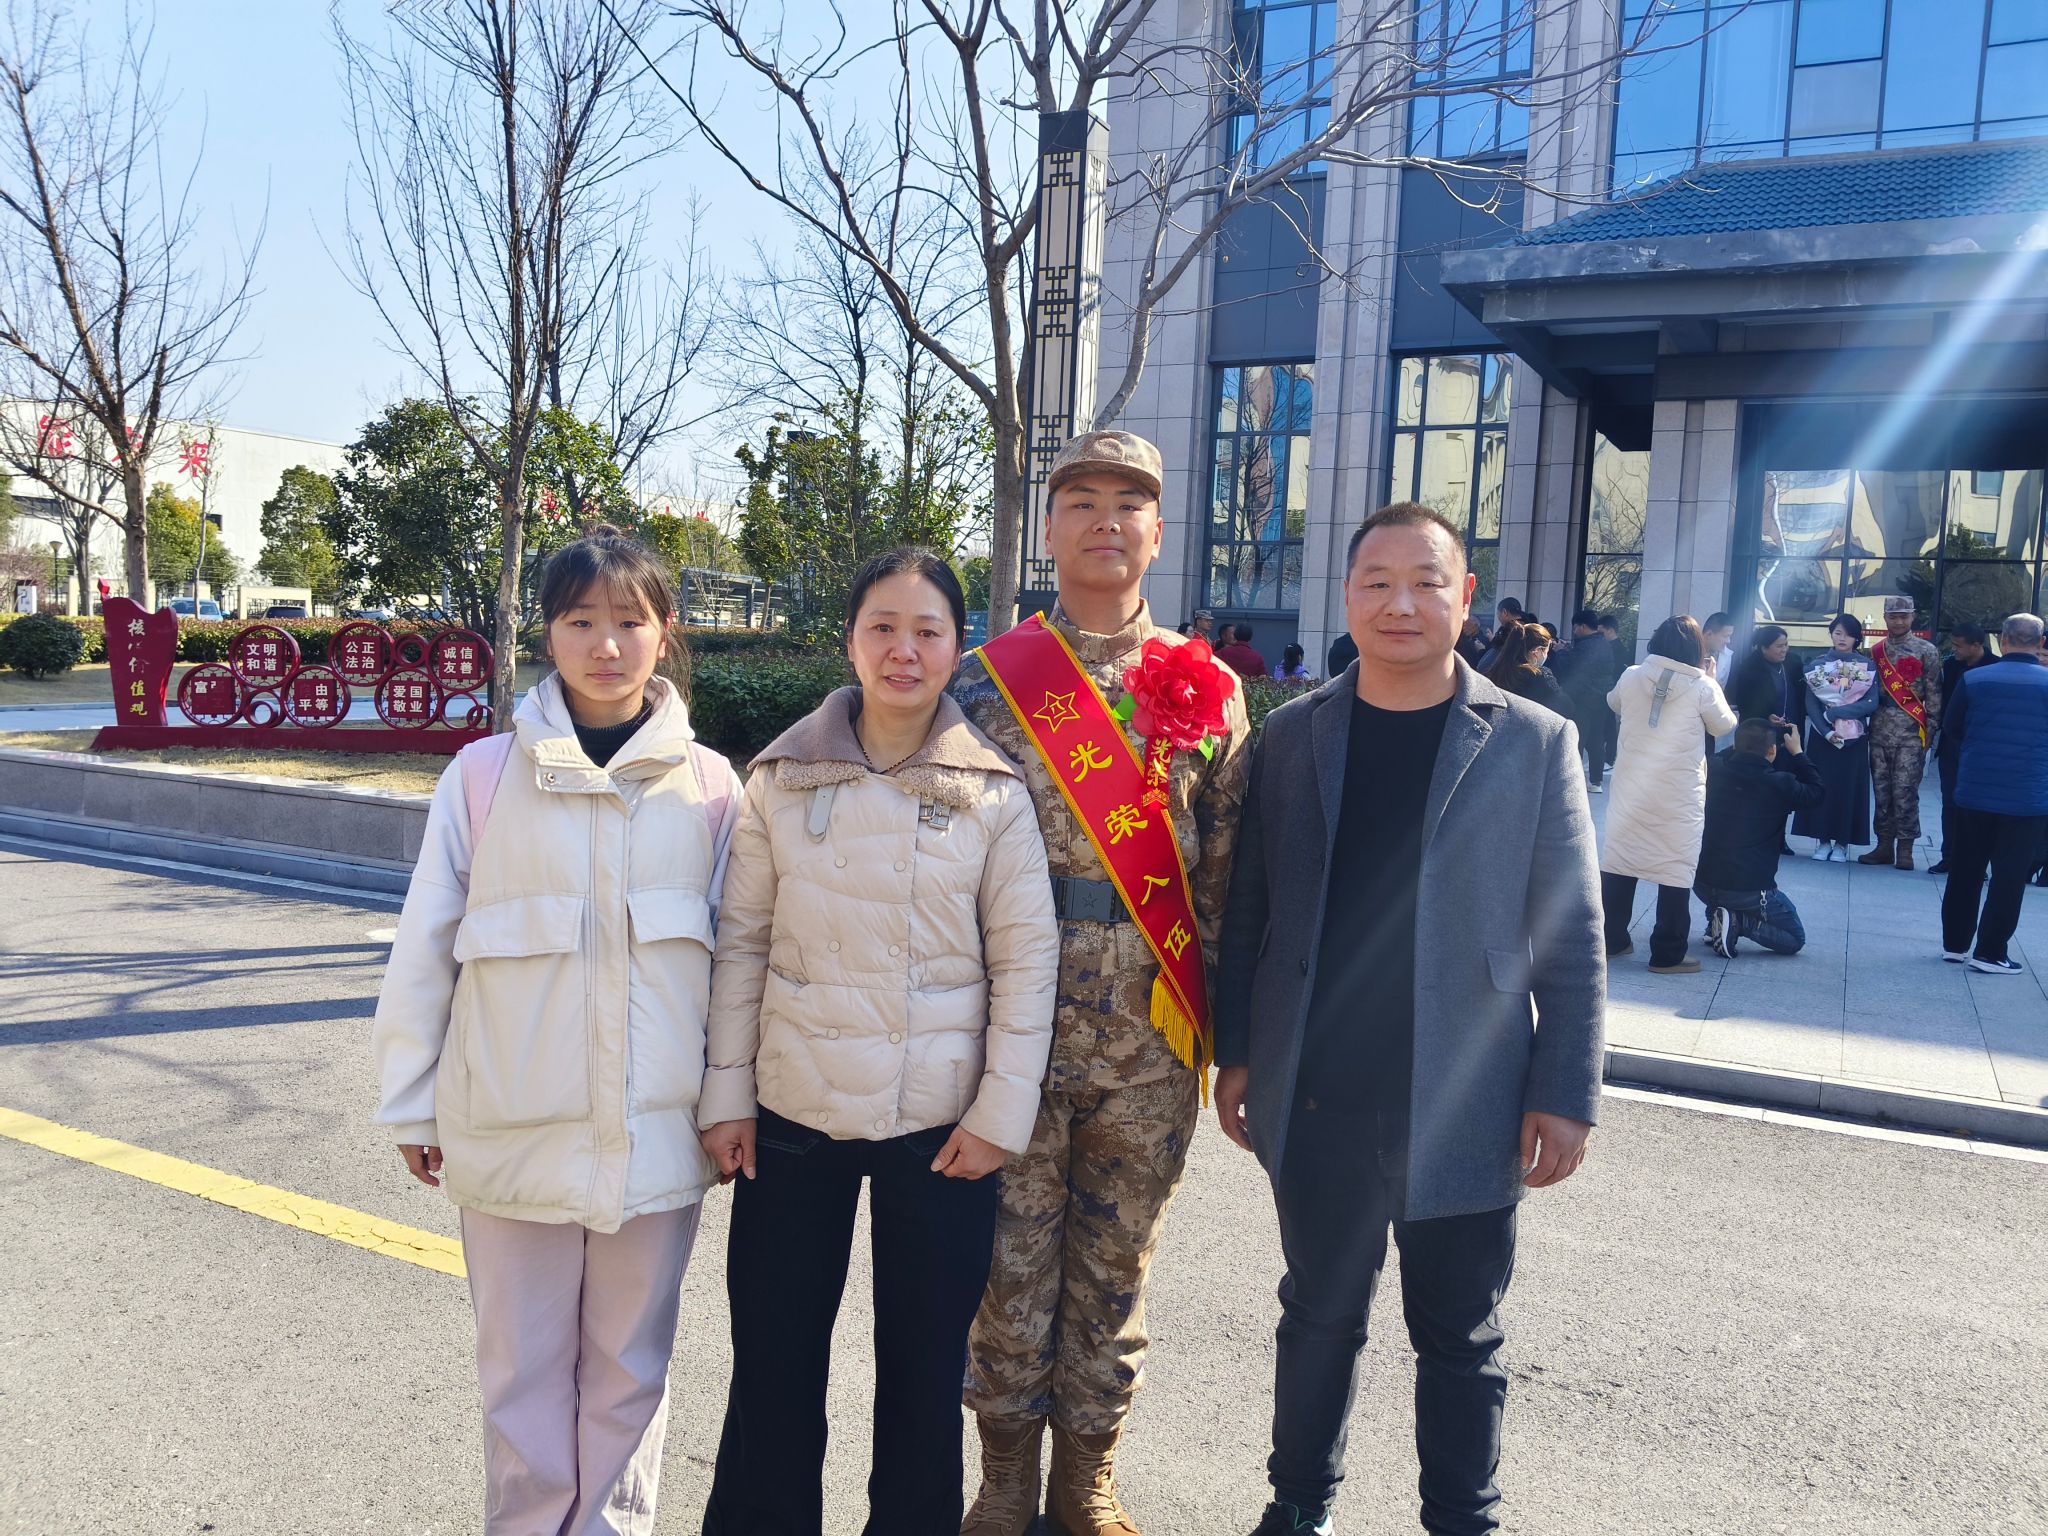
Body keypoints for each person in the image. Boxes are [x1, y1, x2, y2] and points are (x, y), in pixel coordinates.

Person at [1213, 502, 1604, 1536]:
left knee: (1461, 1336)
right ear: (1346, 596)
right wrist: (1237, 1053)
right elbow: (1249, 908)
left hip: (1468, 1093)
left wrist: (1565, 1090)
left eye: (1425, 582)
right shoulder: (1291, 735)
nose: (1400, 603)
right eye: (1377, 582)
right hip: (1318, 1086)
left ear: (1464, 598)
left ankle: (1462, 1519)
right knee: (1317, 1314)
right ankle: (1297, 1504)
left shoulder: (1533, 740)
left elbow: (1571, 932)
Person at [371, 524, 740, 1536]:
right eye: (580, 621)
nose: (605, 645)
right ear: (547, 633)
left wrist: (728, 1105)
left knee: (630, 1371)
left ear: (667, 630)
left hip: (656, 1139)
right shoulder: (482, 777)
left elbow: (738, 971)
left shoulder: (712, 788)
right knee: (520, 1375)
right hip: (508, 1129)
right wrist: (412, 1102)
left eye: (629, 621)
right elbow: (426, 947)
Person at [698, 549, 1059, 1536]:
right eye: (882, 629)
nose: (904, 651)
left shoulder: (992, 793)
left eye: (927, 631)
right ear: (851, 642)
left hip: (939, 1129)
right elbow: (742, 944)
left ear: (957, 647)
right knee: (772, 1365)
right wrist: (725, 1096)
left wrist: (1000, 1114)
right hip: (790, 1112)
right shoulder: (781, 777)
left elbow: (1027, 964)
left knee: (922, 1377)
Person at [952, 430, 1252, 1536]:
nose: (1105, 520)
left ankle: (1085, 1476)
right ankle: (1001, 1477)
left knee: (1114, 1272)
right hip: (1007, 1030)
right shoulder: (985, 683)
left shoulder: (1209, 688)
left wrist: (1233, 1045)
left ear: (1157, 532)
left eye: (1129, 503)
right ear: (1048, 527)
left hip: (1148, 1039)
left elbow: (1226, 879)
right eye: (1081, 499)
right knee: (1007, 1268)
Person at [1600, 614, 1737, 973]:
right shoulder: (1702, 687)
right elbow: (1724, 725)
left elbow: (1614, 702)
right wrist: (1712, 681)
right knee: (1676, 866)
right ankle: (1667, 952)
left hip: (1633, 788)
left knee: (1620, 861)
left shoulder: (1632, 676)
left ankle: (1611, 940)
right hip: (1678, 794)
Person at [1938, 613, 2048, 974]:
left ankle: (1955, 945)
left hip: (1975, 790)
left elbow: (1951, 727)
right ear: (2040, 643)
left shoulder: (1974, 679)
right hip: (2027, 797)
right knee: (2008, 877)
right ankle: (1990, 951)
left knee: (1965, 870)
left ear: (2002, 639)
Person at [1695, 718, 1825, 958]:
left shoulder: (1714, 769)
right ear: (1772, 750)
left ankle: (1717, 917)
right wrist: (1797, 752)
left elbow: (1725, 754)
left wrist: (1745, 741)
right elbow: (1817, 792)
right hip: (1749, 889)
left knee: (1722, 871)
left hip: (1702, 882)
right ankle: (1737, 922)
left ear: (1735, 745)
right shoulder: (1780, 783)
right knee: (1794, 938)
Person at [1858, 595, 1942, 870]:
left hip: (1911, 732)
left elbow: (1934, 696)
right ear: (1885, 618)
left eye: (1904, 616)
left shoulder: (1927, 650)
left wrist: (1929, 734)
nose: (1898, 622)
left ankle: (1906, 849)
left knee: (1905, 792)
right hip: (1879, 730)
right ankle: (1884, 846)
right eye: (1893, 617)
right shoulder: (1876, 651)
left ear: (1913, 617)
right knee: (1882, 792)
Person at [1792, 614, 1879, 860]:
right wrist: (1827, 730)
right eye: (1838, 633)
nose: (1842, 638)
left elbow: (1871, 702)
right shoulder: (1817, 664)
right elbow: (1811, 703)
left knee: (1848, 787)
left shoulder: (1867, 666)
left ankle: (1842, 843)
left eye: (1848, 634)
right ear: (1831, 634)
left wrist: (1837, 712)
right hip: (1823, 736)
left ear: (1857, 638)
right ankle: (1822, 841)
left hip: (1854, 737)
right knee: (1821, 784)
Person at [1931, 622, 1994, 874]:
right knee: (1950, 804)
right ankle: (1948, 857)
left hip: (1981, 749)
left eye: (1958, 646)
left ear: (1976, 646)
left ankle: (1976, 864)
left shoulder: (1995, 666)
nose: (1954, 649)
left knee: (1978, 808)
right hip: (1951, 747)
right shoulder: (1951, 666)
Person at [1551, 609, 1616, 791]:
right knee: (1596, 740)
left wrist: (1560, 652)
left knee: (1577, 739)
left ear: (1582, 626)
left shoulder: (1586, 646)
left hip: (1582, 699)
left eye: (1575, 627)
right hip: (1601, 698)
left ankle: (1573, 781)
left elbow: (1572, 669)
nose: (1574, 631)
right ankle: (1596, 781)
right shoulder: (1603, 644)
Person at [1482, 618, 1569, 716]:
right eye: (1546, 651)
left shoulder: (1495, 670)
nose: (1547, 656)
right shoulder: (1539, 675)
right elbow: (1566, 707)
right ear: (1536, 651)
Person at [1597, 614, 1626, 767]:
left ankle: (1610, 758)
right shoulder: (1610, 647)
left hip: (1612, 689)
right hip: (1605, 689)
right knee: (1603, 725)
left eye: (1601, 632)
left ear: (1610, 630)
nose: (1599, 636)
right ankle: (1604, 758)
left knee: (1609, 725)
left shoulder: (1619, 649)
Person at [1472, 597, 1525, 673]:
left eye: (1498, 613)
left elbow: (1496, 658)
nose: (1498, 617)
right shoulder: (1528, 629)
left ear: (1504, 612)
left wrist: (1482, 651)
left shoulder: (1509, 631)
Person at [1702, 612, 1736, 686]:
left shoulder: (1727, 655)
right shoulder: (1689, 651)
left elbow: (1721, 687)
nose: (1728, 641)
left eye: (1730, 636)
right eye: (1725, 636)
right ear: (1709, 634)